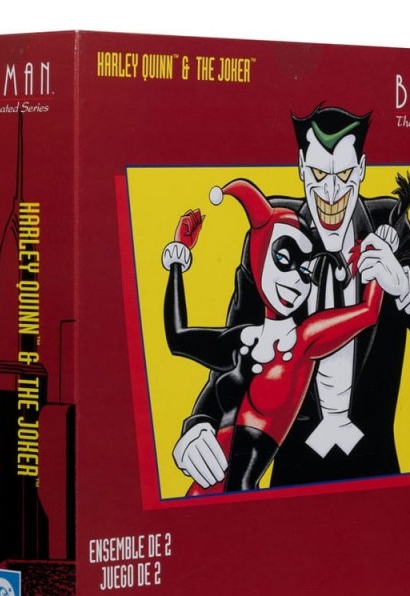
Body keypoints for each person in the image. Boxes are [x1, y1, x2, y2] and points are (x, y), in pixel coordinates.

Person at [172, 106, 410, 488]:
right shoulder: (274, 232)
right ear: (301, 168)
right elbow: (236, 354)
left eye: (344, 175)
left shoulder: (391, 224)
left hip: (376, 472)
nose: (331, 192)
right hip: (292, 478)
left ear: (361, 169)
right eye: (319, 175)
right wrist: (201, 425)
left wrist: (406, 290)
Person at [162, 179, 395, 493]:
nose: (296, 281)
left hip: (242, 494)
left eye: (306, 273)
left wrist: (376, 259)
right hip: (200, 490)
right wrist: (177, 263)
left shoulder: (305, 339)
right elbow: (177, 339)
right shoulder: (241, 340)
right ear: (258, 258)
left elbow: (368, 312)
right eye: (284, 261)